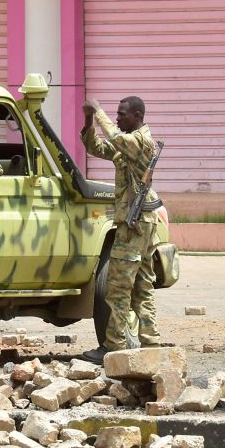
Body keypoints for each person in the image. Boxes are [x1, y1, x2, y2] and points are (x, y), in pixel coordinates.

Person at [79, 95, 163, 363]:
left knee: (118, 287)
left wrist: (99, 111)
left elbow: (116, 139)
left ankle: (113, 345)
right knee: (141, 285)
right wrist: (88, 120)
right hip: (141, 223)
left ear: (137, 115)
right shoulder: (127, 143)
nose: (117, 118)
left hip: (134, 225)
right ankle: (151, 342)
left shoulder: (141, 142)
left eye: (122, 114)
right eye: (116, 114)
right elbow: (96, 148)